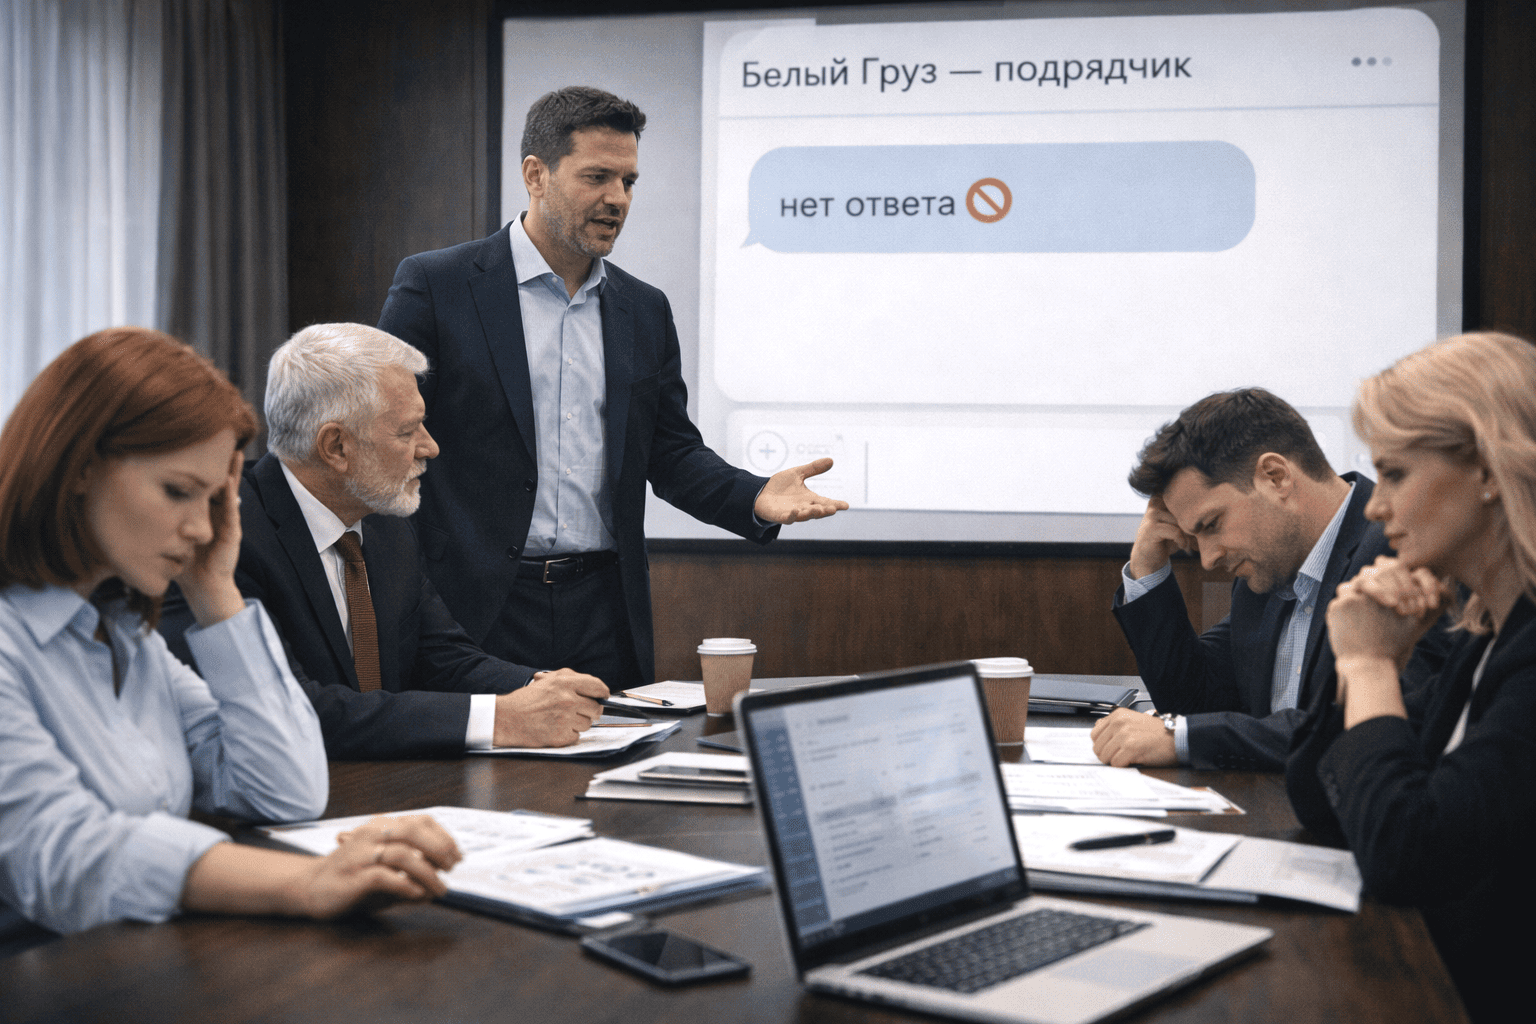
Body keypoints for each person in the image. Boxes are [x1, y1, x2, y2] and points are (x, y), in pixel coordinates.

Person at [377, 86, 847, 689]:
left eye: (628, 182)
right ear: (536, 175)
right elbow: (386, 436)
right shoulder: (437, 286)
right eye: (597, 177)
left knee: (615, 752)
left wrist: (754, 496)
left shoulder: (643, 309)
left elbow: (670, 452)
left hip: (604, 610)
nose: (617, 199)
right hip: (475, 608)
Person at [0, 327, 460, 938]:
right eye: (178, 492)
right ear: (80, 468)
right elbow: (61, 854)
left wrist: (215, 592)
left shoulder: (125, 634)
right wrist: (308, 882)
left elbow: (287, 790)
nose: (201, 529)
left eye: (214, 500)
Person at [160, 323, 609, 759]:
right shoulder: (222, 538)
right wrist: (499, 719)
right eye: (407, 431)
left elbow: (442, 658)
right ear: (336, 447)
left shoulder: (384, 521)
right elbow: (297, 709)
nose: (429, 447)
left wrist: (542, 688)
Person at [1285, 331, 1536, 1024]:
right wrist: (1380, 667)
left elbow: (1407, 855)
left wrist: (1367, 665)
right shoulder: (1484, 639)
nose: (1374, 507)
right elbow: (1321, 801)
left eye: (1394, 473)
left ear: (1487, 468)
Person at [1094, 388, 1426, 770]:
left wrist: (1182, 737)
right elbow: (1194, 702)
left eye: (1212, 524)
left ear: (1275, 477)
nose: (1208, 559)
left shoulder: (1401, 553)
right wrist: (1147, 569)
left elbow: (1351, 732)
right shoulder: (1265, 572)